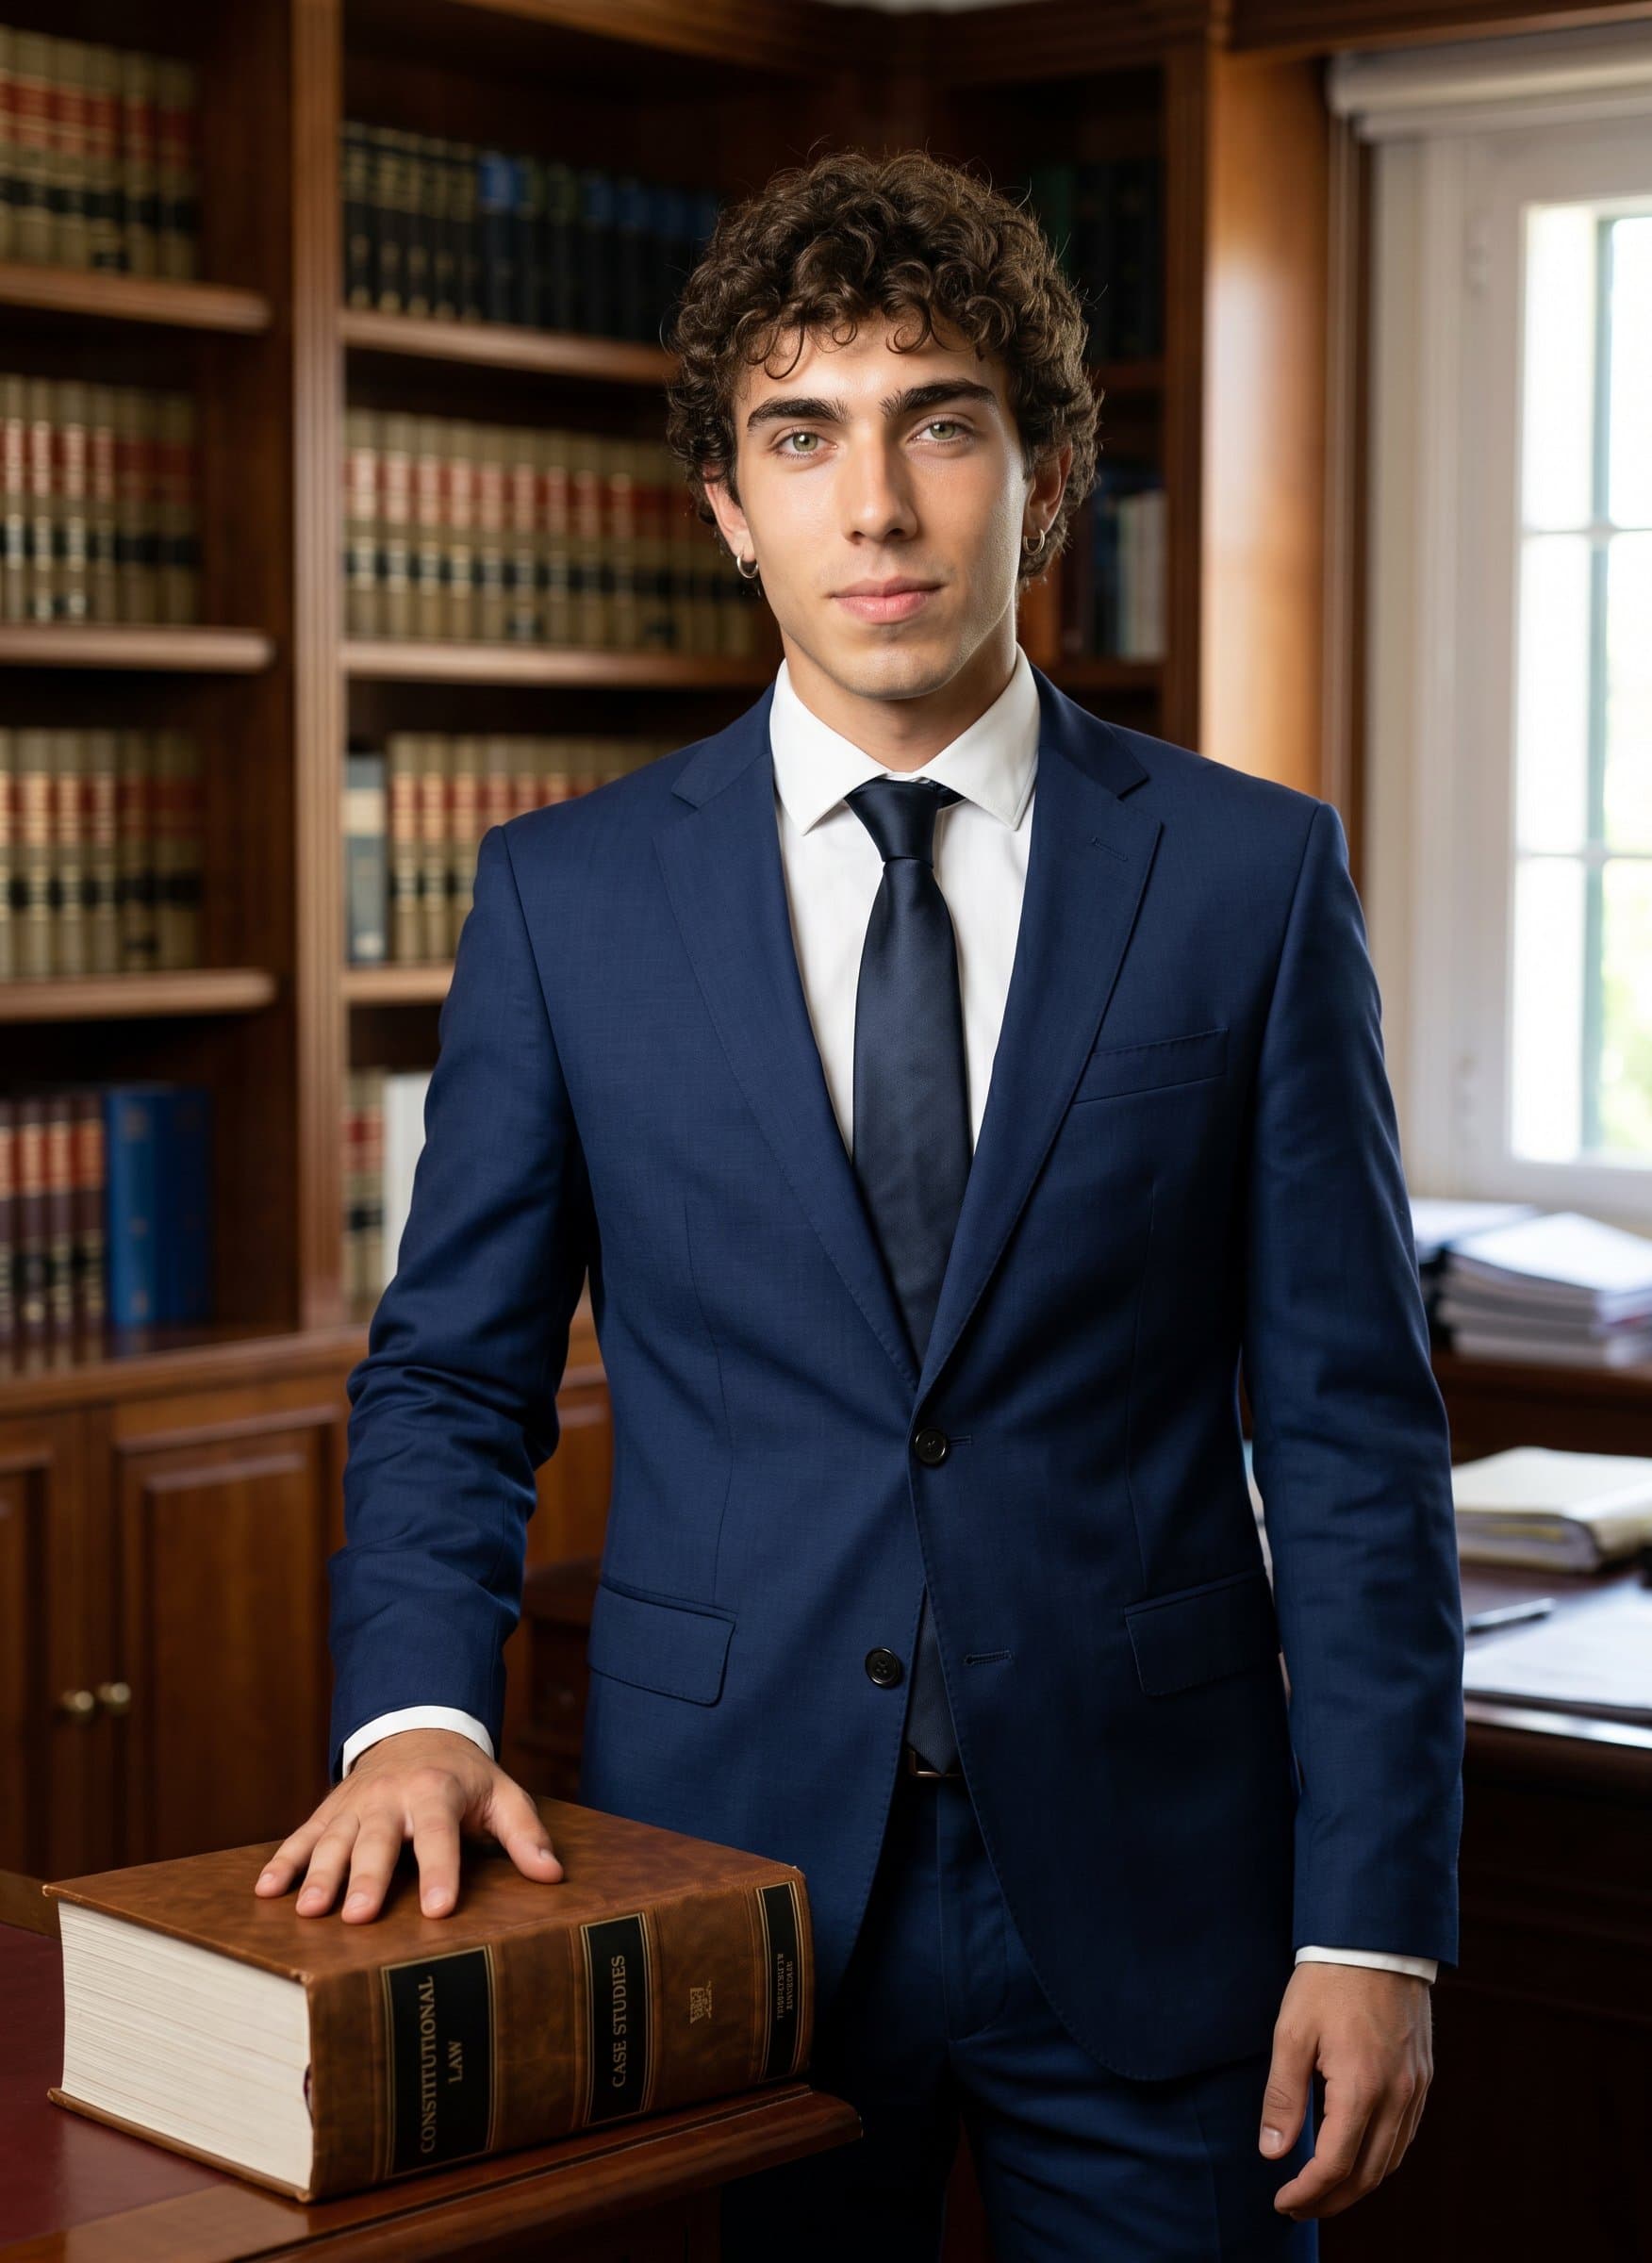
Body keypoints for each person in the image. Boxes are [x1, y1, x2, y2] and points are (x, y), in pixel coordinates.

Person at [256, 148, 1463, 2259]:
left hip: (1163, 1899)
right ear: (730, 506)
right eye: (799, 437)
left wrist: (1377, 1925)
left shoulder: (1250, 881)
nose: (874, 508)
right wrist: (417, 1715)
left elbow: (1354, 1448)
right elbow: (451, 1376)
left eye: (940, 423)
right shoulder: (566, 902)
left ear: (1046, 476)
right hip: (718, 1882)